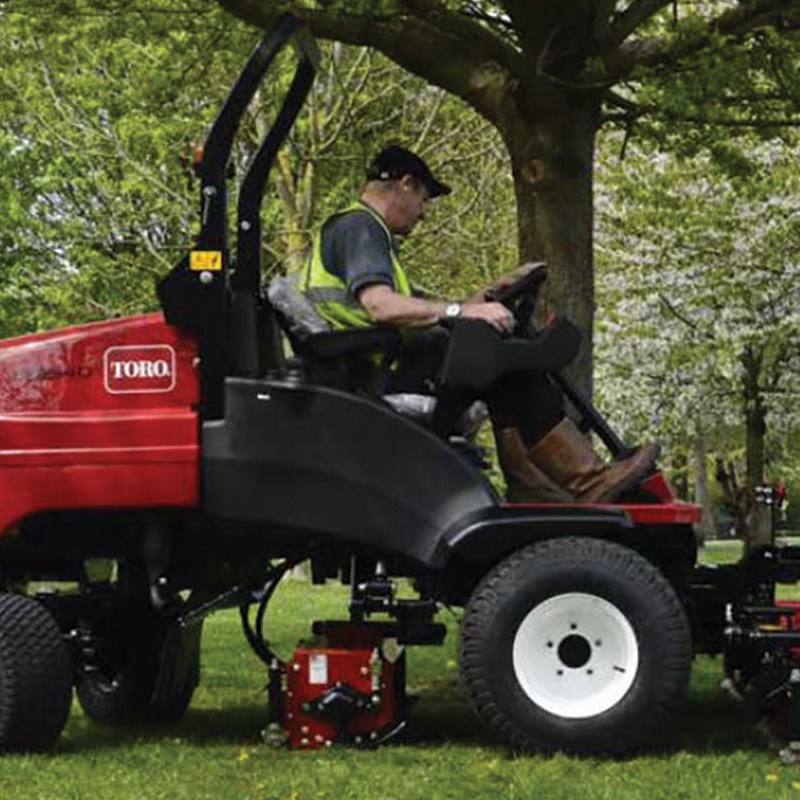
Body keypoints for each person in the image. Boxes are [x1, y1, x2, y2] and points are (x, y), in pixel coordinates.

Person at [300, 144, 657, 503]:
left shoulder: (366, 234)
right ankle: (585, 480)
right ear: (405, 184)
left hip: (373, 369)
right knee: (507, 364)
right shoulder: (360, 228)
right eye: (424, 199)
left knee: (502, 364)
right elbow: (380, 306)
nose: (423, 214)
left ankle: (535, 487)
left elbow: (423, 308)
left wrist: (492, 291)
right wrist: (463, 312)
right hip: (372, 378)